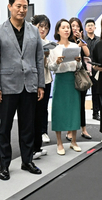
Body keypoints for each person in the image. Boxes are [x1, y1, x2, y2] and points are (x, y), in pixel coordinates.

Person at [0, 0, 45, 181]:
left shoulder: (33, 30)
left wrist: (40, 84)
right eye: (18, 6)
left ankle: (27, 160)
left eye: (25, 7)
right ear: (10, 7)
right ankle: (4, 165)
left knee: (28, 126)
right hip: (7, 86)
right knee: (4, 127)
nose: (22, 10)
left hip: (29, 85)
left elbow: (39, 58)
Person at [49, 19, 83, 155]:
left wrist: (78, 62)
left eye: (68, 27)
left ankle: (73, 141)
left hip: (72, 79)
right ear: (58, 31)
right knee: (59, 110)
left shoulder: (75, 46)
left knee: (74, 110)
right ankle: (59, 143)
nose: (67, 30)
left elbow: (79, 67)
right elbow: (50, 67)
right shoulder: (54, 48)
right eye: (63, 27)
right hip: (61, 80)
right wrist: (57, 62)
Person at [67, 17, 92, 140]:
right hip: (70, 74)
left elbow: (87, 53)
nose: (75, 28)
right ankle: (69, 130)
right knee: (71, 104)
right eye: (73, 26)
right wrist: (77, 44)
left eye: (77, 26)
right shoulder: (67, 41)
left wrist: (81, 40)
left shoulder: (81, 40)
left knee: (81, 103)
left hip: (81, 74)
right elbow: (70, 55)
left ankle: (84, 129)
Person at [31, 14, 52, 154]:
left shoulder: (48, 43)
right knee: (33, 111)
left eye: (46, 27)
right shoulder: (31, 41)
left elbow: (47, 65)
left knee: (43, 108)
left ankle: (42, 135)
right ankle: (32, 143)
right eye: (41, 26)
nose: (43, 29)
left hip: (45, 79)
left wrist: (46, 56)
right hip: (32, 81)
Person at [84, 19, 101, 121]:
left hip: (95, 69)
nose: (90, 27)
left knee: (96, 92)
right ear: (85, 28)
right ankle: (82, 114)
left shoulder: (99, 40)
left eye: (92, 25)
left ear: (95, 27)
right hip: (85, 69)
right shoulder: (82, 40)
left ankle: (96, 113)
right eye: (88, 25)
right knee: (83, 91)